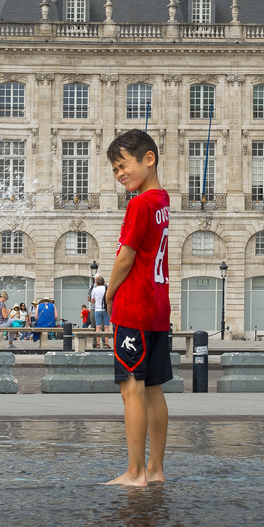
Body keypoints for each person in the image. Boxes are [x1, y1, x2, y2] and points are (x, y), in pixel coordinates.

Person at [102, 130, 172, 488]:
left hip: (134, 306)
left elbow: (125, 258)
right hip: (158, 306)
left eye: (123, 166)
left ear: (149, 158)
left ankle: (134, 473)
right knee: (154, 390)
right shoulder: (162, 200)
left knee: (131, 390)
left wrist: (109, 293)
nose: (119, 174)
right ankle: (155, 469)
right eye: (115, 169)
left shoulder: (139, 204)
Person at [90, 276, 109, 349]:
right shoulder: (106, 289)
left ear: (96, 283)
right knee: (106, 327)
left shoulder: (94, 290)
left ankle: (98, 344)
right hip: (105, 309)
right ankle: (106, 344)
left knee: (98, 327)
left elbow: (92, 301)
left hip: (97, 310)